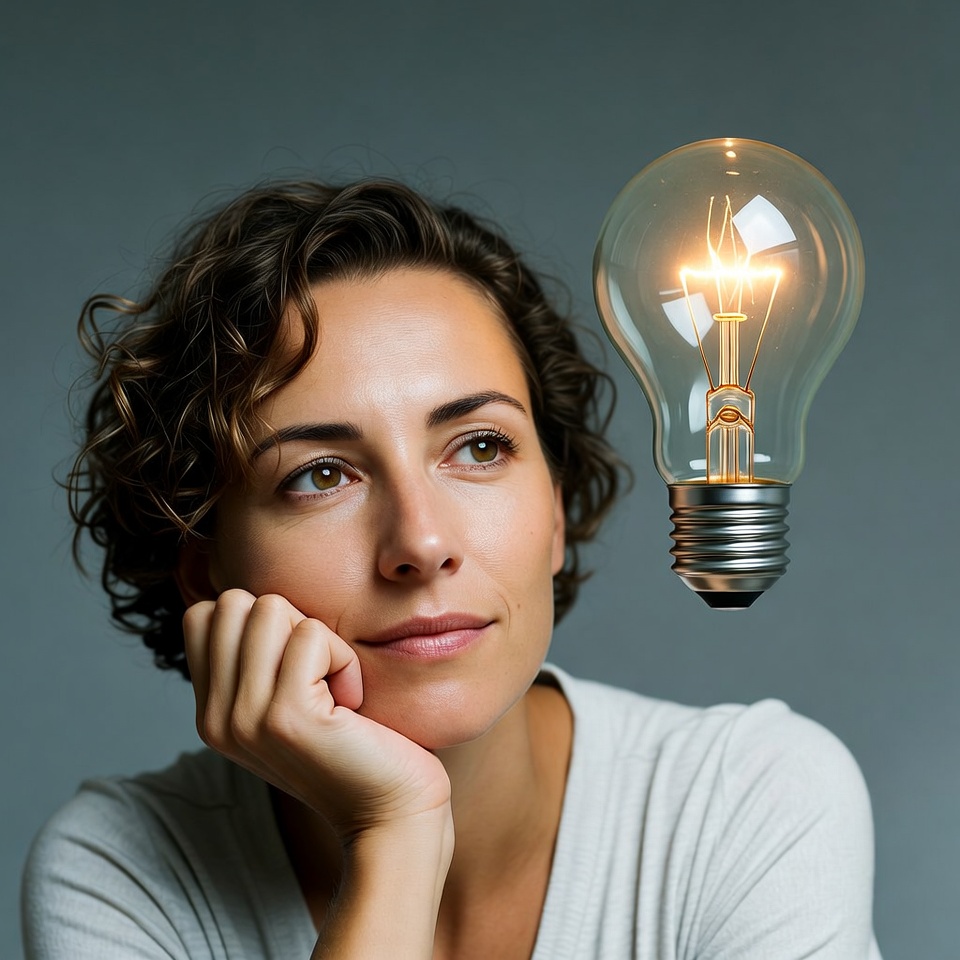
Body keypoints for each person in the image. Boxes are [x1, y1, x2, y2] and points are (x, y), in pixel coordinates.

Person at [22, 179, 882, 959]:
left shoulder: (748, 800)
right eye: (320, 474)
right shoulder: (121, 870)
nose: (422, 543)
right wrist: (395, 838)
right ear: (205, 569)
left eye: (479, 447)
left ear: (555, 508)